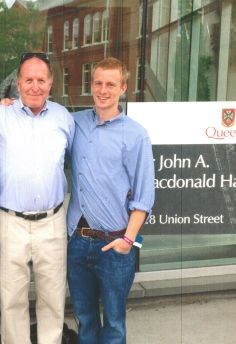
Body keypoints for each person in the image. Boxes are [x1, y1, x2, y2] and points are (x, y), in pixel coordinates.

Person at [67, 57, 155, 344]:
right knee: (86, 320)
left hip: (115, 244)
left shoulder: (136, 135)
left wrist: (127, 241)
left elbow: (143, 198)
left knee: (115, 324)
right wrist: (9, 108)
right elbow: (41, 118)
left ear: (123, 88)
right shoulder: (74, 123)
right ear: (91, 85)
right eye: (98, 83)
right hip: (78, 242)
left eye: (111, 84)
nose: (103, 90)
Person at [0, 52, 75, 344]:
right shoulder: (2, 116)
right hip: (11, 222)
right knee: (11, 301)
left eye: (41, 80)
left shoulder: (63, 118)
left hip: (52, 222)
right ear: (18, 83)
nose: (35, 86)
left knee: (52, 300)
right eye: (28, 80)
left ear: (50, 82)